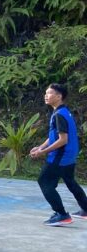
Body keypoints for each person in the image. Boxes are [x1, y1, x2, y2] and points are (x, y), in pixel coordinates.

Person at [29, 83, 87, 226]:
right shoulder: (63, 112)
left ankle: (61, 215)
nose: (46, 96)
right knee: (70, 181)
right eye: (45, 93)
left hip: (61, 157)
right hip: (69, 155)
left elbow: (63, 140)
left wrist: (43, 152)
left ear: (59, 96)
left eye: (49, 93)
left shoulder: (59, 115)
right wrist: (40, 147)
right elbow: (54, 136)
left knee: (44, 181)